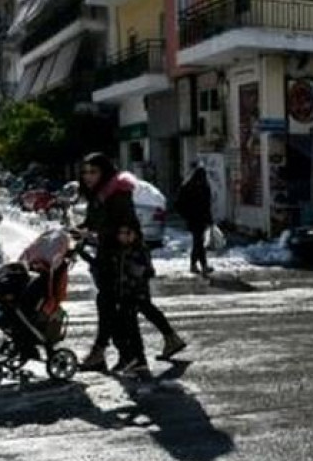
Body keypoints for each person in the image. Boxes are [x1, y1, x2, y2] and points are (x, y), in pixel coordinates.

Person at [74, 153, 185, 371]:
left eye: (93, 171)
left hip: (126, 261)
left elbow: (124, 227)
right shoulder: (100, 194)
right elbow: (95, 221)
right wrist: (82, 229)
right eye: (85, 172)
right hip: (111, 258)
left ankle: (119, 354)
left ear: (104, 172)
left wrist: (92, 235)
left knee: (123, 306)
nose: (88, 176)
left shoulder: (117, 193)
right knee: (125, 306)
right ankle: (132, 355)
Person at [110, 223, 154, 378]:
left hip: (134, 295)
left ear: (133, 234)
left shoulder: (139, 250)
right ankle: (129, 358)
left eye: (125, 233)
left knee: (131, 330)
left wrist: (133, 272)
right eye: (120, 233)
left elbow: (147, 272)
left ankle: (139, 361)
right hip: (124, 295)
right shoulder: (122, 249)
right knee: (120, 329)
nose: (121, 236)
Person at [176, 164, 215, 275]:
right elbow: (206, 206)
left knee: (198, 242)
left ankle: (197, 265)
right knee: (199, 242)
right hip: (200, 219)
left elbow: (179, 204)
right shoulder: (204, 187)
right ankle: (201, 265)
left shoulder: (188, 186)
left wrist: (186, 214)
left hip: (193, 219)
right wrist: (209, 219)